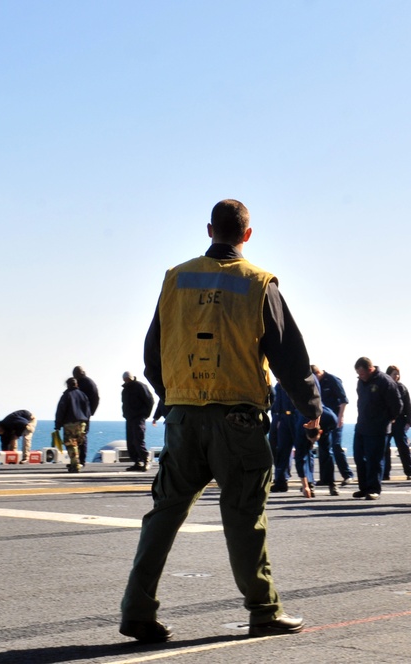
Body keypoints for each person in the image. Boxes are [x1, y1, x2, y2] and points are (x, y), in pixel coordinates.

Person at [120, 199, 321, 643]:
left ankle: (136, 609)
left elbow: (154, 352)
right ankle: (264, 610)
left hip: (183, 418)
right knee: (244, 514)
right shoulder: (259, 283)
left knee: (164, 514)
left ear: (210, 229)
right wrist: (311, 410)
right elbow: (289, 357)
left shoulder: (174, 279)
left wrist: (174, 397)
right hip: (238, 421)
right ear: (247, 235)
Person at [352, 357, 402, 500]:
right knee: (359, 458)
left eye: (362, 373)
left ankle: (374, 489)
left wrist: (387, 419)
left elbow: (397, 405)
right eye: (358, 374)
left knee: (374, 460)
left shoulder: (385, 381)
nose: (360, 377)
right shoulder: (361, 382)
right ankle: (364, 488)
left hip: (378, 428)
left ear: (370, 369)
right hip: (362, 425)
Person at [311, 365, 354, 486]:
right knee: (324, 448)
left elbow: (343, 400)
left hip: (335, 419)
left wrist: (341, 417)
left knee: (336, 445)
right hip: (324, 419)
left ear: (318, 373)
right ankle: (326, 478)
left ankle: (347, 474)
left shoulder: (333, 380)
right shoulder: (316, 383)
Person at [384, 365, 411, 481]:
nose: (396, 376)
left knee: (403, 447)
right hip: (387, 421)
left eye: (397, 373)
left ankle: (409, 471)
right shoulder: (384, 387)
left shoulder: (402, 388)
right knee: (385, 448)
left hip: (400, 421)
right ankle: (385, 473)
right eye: (394, 373)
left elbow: (408, 405)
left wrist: (409, 422)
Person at [55, 378, 92, 473]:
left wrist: (58, 425)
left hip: (70, 423)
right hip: (82, 423)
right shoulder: (83, 395)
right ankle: (76, 463)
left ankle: (75, 465)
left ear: (68, 385)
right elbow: (88, 412)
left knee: (71, 445)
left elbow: (61, 410)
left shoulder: (66, 395)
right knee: (79, 444)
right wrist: (87, 425)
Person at [121, 372, 155, 471]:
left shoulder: (140, 386)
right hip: (130, 418)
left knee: (138, 439)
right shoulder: (125, 390)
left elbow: (150, 400)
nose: (126, 380)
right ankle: (137, 462)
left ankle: (146, 460)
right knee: (131, 441)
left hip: (138, 417)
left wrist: (145, 414)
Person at [72, 366, 99, 466]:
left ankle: (81, 460)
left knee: (81, 437)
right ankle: (78, 460)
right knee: (78, 437)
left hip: (83, 414)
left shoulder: (86, 383)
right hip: (81, 414)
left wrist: (90, 412)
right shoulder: (85, 383)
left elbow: (95, 398)